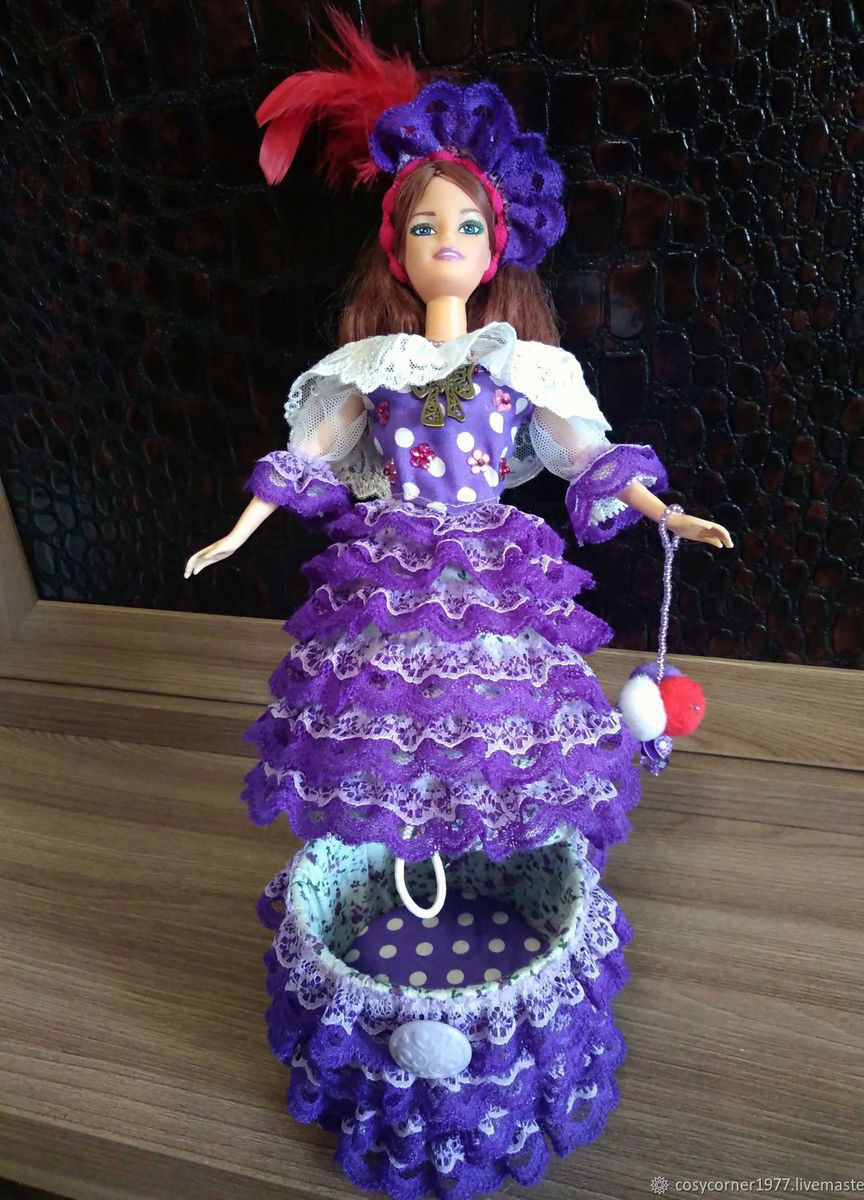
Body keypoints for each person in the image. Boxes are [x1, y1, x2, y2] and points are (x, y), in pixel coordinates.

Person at [183, 20, 733, 915]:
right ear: (397, 249)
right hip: (395, 557)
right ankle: (405, 842)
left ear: (493, 248)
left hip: (489, 556)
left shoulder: (519, 363)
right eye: (426, 224)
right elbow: (305, 453)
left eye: (468, 225)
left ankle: (483, 840)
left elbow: (586, 452)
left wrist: (665, 514)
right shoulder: (376, 366)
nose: (447, 239)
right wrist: (237, 531)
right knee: (393, 700)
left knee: (492, 693)